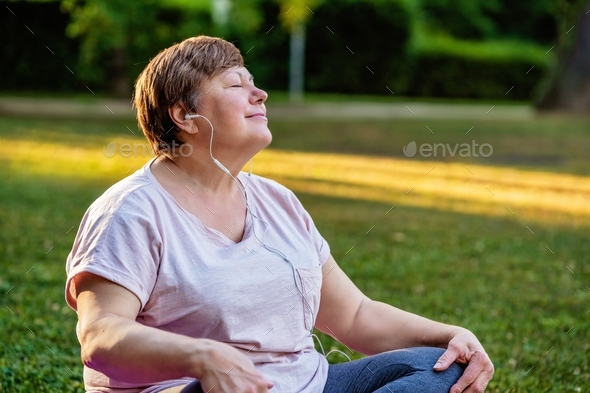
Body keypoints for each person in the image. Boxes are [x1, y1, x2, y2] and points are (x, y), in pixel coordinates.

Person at [65, 35, 494, 393]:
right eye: (236, 86)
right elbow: (100, 335)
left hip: (309, 384)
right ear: (185, 115)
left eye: (254, 83)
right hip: (189, 389)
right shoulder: (131, 210)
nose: (260, 94)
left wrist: (448, 335)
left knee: (440, 367)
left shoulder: (278, 201)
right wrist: (201, 357)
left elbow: (354, 315)